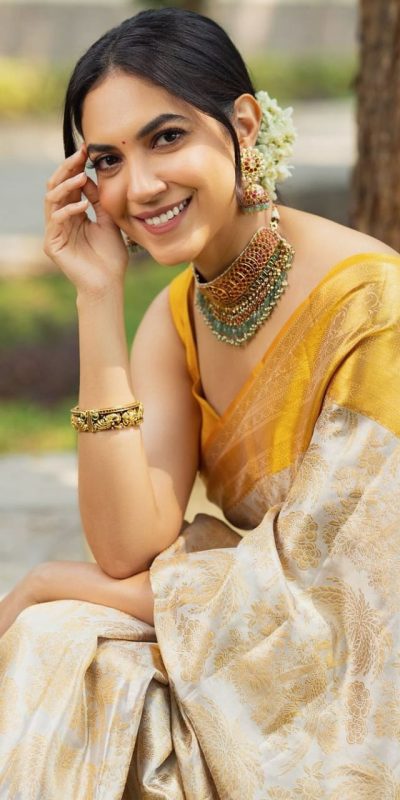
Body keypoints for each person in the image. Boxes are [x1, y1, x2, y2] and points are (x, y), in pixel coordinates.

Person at [0, 7, 399, 798]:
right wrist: (95, 298)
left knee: (57, 629)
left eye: (167, 137)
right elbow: (128, 544)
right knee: (64, 647)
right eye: (107, 160)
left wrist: (47, 580)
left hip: (361, 670)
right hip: (260, 641)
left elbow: (340, 595)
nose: (140, 186)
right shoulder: (179, 316)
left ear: (243, 126)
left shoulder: (371, 309)